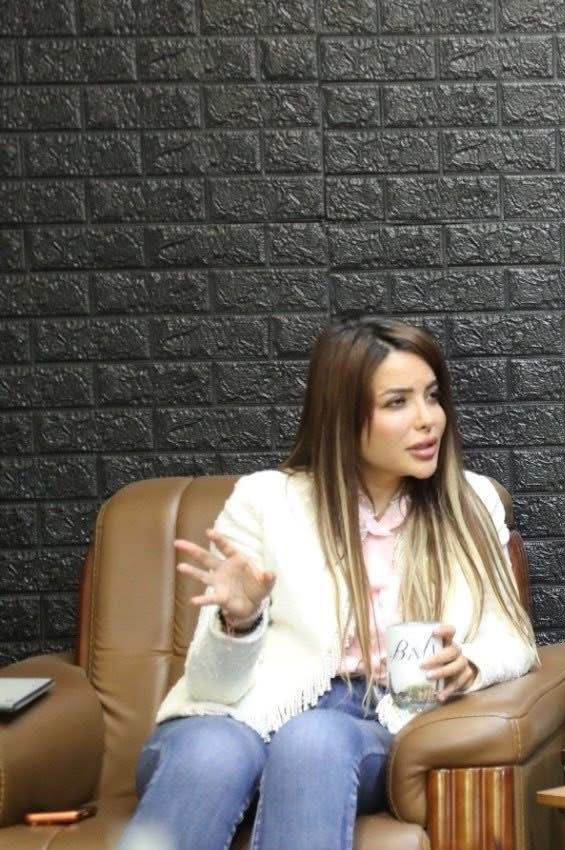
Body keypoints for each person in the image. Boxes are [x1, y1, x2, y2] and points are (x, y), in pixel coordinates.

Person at [118, 317, 539, 850]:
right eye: (397, 402)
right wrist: (239, 623)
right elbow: (211, 689)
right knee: (211, 753)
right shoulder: (265, 500)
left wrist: (470, 666)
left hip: (370, 724)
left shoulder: (470, 502)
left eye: (432, 397)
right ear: (342, 415)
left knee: (312, 739)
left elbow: (512, 640)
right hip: (238, 718)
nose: (428, 419)